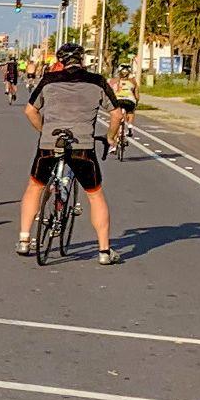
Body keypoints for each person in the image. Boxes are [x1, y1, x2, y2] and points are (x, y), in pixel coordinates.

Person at [16, 42, 123, 264]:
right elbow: (117, 114)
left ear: (60, 61)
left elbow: (30, 110)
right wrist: (111, 137)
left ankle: (24, 239)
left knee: (35, 186)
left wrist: (44, 129)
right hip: (82, 146)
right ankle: (104, 251)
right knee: (94, 195)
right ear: (82, 60)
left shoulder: (49, 80)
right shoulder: (97, 81)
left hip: (49, 143)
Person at [112, 65, 140, 150]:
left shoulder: (115, 81)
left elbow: (111, 92)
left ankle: (113, 146)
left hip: (118, 100)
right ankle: (130, 126)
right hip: (130, 100)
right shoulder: (133, 81)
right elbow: (137, 95)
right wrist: (136, 103)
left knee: (116, 121)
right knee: (130, 112)